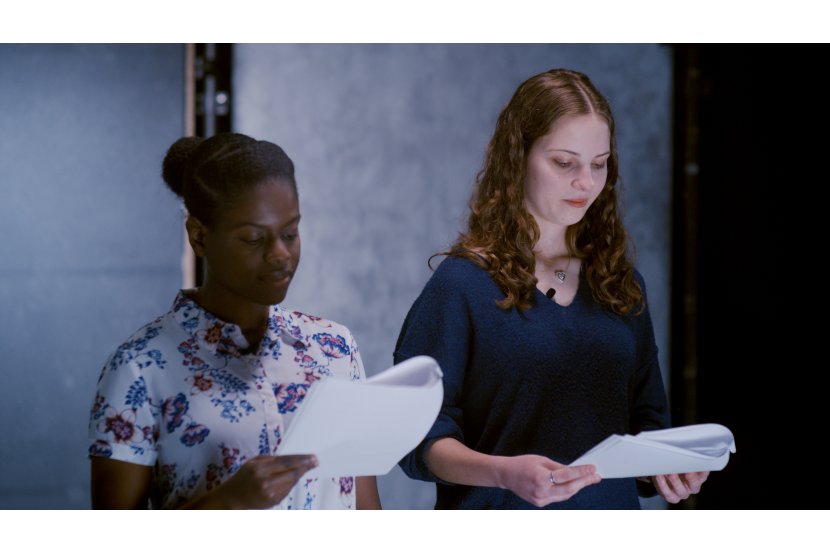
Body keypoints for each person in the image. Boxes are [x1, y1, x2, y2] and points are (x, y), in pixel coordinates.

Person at [395, 69, 708, 509]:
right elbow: (416, 440)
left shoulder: (620, 285)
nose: (587, 183)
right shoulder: (461, 285)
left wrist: (667, 467)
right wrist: (503, 472)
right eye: (565, 163)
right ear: (517, 156)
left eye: (599, 164)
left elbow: (648, 420)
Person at [88, 133, 382, 510]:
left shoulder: (335, 347)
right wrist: (231, 503)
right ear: (198, 237)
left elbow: (366, 514)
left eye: (290, 233)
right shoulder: (138, 368)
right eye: (253, 239)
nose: (280, 254)